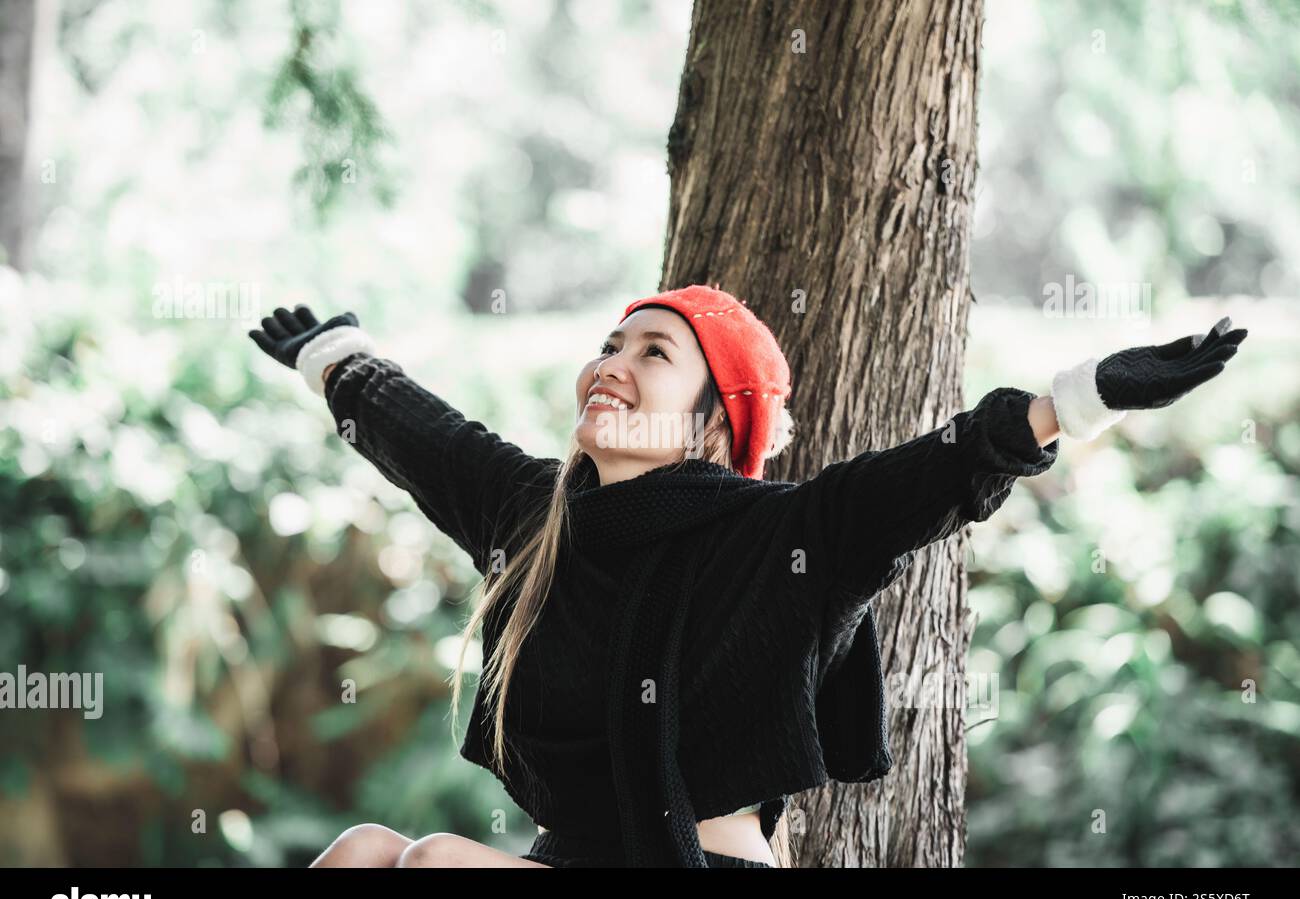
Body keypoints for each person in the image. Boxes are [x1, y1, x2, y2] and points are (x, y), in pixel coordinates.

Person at [249, 285, 1246, 868]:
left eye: (654, 353)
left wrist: (1089, 394)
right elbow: (420, 435)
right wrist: (332, 356)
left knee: (424, 864)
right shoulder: (534, 514)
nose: (612, 361)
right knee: (362, 855)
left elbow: (939, 474)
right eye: (608, 344)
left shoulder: (780, 537)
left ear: (713, 420)